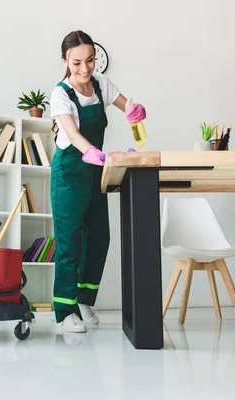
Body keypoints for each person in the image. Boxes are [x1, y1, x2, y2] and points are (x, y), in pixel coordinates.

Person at [49, 30, 147, 333]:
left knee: (99, 238)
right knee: (69, 244)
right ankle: (64, 311)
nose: (85, 68)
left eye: (90, 60)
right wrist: (89, 150)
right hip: (69, 173)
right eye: (77, 62)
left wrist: (133, 109)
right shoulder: (61, 94)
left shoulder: (101, 83)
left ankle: (83, 300)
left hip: (94, 173)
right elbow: (72, 133)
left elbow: (124, 103)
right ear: (65, 60)